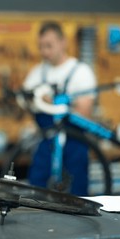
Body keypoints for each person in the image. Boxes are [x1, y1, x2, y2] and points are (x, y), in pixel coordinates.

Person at [22, 21, 97, 196]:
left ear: (63, 42)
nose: (44, 52)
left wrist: (49, 102)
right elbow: (26, 101)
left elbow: (85, 112)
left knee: (78, 192)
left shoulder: (81, 72)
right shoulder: (37, 72)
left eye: (49, 46)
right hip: (47, 140)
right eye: (41, 47)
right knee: (36, 187)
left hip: (74, 141)